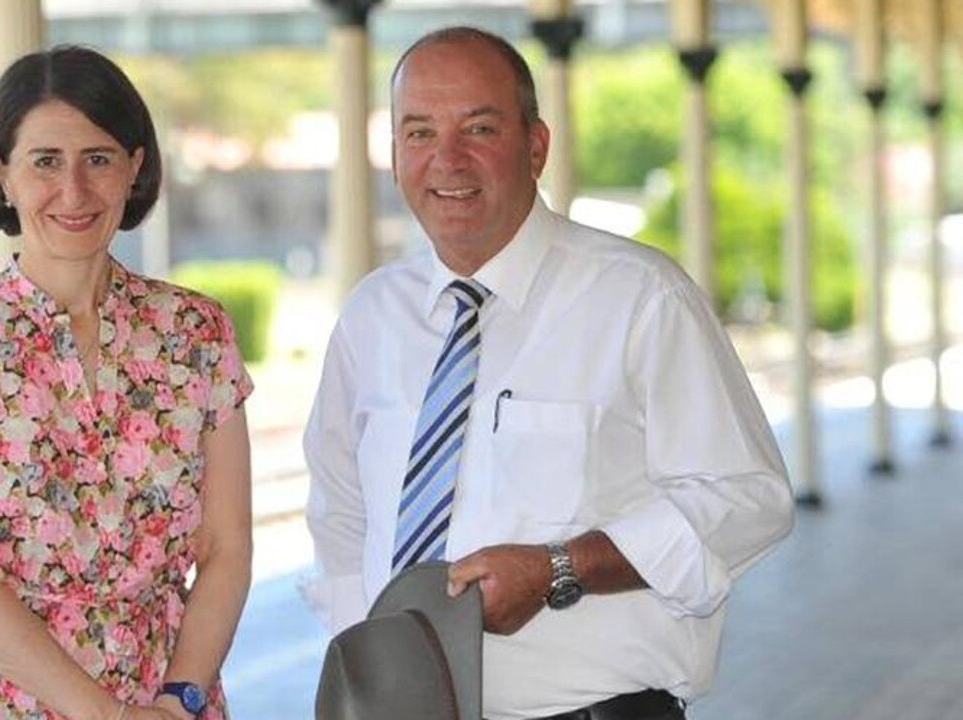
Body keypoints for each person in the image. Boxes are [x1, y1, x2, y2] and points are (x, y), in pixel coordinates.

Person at [304, 26, 795, 720]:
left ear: (536, 145)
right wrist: (376, 665)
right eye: (418, 133)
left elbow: (751, 498)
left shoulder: (640, 297)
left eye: (478, 127)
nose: (447, 159)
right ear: (392, 155)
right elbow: (340, 511)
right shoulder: (370, 317)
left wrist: (564, 567)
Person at [0, 45, 253, 720]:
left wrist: (178, 699)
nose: (73, 191)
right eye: (45, 161)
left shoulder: (197, 333)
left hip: (170, 699)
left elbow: (226, 549)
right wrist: (105, 715)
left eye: (98, 159)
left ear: (135, 169)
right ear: (3, 176)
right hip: (0, 703)